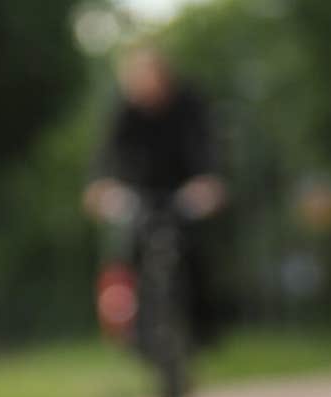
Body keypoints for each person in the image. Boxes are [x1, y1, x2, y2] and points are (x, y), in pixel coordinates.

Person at [83, 46, 225, 346]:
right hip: (139, 193)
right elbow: (107, 155)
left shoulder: (188, 102)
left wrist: (210, 181)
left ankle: (206, 329)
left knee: (196, 253)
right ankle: (131, 330)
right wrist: (99, 185)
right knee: (127, 253)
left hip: (184, 190)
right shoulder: (124, 110)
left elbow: (206, 145)